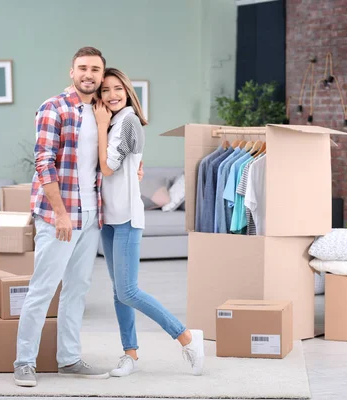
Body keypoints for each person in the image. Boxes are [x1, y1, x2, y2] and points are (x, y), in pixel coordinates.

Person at [13, 47, 143, 387]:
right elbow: (43, 164)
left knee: (77, 289)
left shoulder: (104, 112)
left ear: (101, 76)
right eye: (83, 68)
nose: (89, 74)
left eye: (95, 69)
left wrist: (136, 167)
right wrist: (60, 215)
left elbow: (112, 156)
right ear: (72, 72)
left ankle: (68, 359)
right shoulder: (53, 108)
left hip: (91, 215)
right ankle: (24, 362)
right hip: (61, 215)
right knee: (43, 289)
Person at [93, 68, 205, 378]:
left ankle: (186, 336)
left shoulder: (126, 121)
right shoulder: (113, 122)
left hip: (127, 217)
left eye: (117, 88)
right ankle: (130, 354)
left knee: (128, 291)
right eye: (105, 90)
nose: (112, 95)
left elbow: (107, 166)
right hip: (109, 217)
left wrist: (101, 126)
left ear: (128, 91)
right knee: (118, 292)